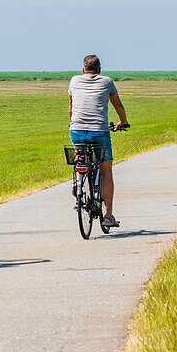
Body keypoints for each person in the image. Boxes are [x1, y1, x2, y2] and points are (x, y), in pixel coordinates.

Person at [68, 54, 129, 227]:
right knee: (106, 171)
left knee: (80, 155)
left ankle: (78, 182)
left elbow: (71, 108)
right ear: (99, 70)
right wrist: (122, 122)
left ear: (83, 69)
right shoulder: (107, 81)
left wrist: (73, 123)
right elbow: (118, 106)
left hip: (77, 129)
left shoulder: (74, 81)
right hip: (99, 131)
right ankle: (108, 215)